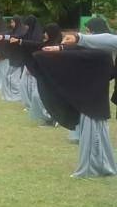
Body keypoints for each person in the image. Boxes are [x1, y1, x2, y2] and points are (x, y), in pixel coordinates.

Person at [32, 44, 116, 178]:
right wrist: (61, 48)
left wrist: (58, 51)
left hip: (94, 104)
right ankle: (100, 166)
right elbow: (79, 52)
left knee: (94, 134)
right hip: (92, 102)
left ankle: (94, 168)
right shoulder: (97, 55)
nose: (87, 35)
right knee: (95, 133)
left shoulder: (101, 54)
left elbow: (79, 54)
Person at [0, 15, 26, 101]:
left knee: (11, 78)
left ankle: (19, 96)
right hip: (14, 58)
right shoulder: (14, 31)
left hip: (19, 59)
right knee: (9, 78)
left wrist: (4, 37)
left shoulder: (21, 31)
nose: (11, 24)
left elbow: (17, 37)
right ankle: (13, 95)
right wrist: (0, 36)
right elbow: (7, 34)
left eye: (12, 22)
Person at [19, 15, 43, 110]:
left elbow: (35, 51)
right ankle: (28, 104)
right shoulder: (28, 34)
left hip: (32, 64)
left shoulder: (36, 37)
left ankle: (33, 105)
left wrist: (30, 66)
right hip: (27, 63)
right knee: (24, 84)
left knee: (31, 85)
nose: (26, 27)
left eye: (27, 25)